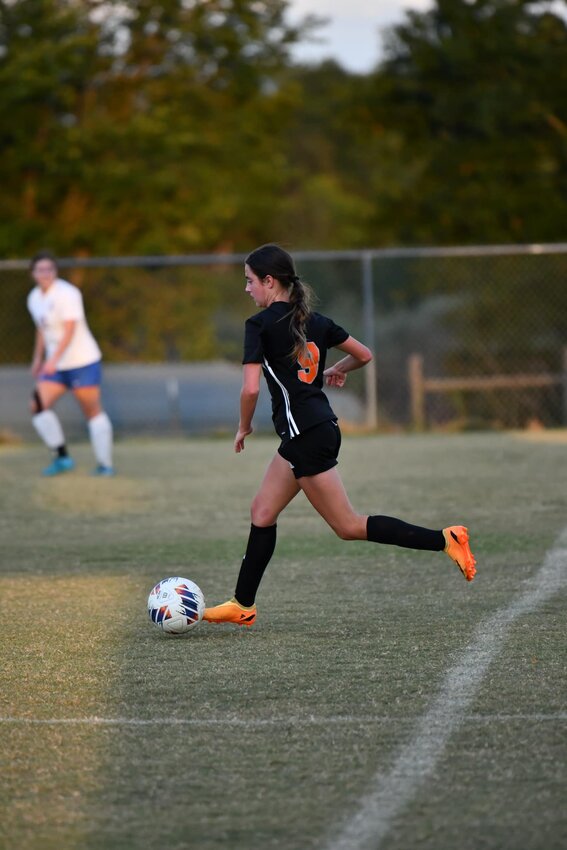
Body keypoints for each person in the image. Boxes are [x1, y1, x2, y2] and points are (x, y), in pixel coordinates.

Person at [203, 244, 476, 626]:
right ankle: (243, 604)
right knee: (262, 512)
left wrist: (244, 425)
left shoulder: (259, 326)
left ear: (269, 281)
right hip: (313, 429)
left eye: (250, 281)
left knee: (348, 526)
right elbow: (364, 354)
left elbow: (250, 390)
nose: (247, 289)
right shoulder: (315, 320)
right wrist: (335, 370)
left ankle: (445, 539)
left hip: (307, 435)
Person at [27, 251, 114, 476]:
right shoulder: (34, 298)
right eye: (40, 269)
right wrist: (38, 359)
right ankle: (62, 457)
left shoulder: (67, 293)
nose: (45, 274)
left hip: (81, 361)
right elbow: (42, 329)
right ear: (33, 273)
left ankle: (105, 464)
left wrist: (52, 360)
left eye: (50, 269)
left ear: (55, 271)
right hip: (55, 366)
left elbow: (71, 329)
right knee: (37, 406)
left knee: (91, 411)